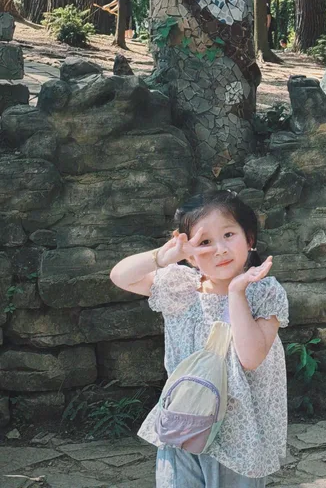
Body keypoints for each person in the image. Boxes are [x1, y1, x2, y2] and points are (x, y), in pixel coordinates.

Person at [110, 191, 289, 488]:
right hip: (184, 421)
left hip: (239, 435)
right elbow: (120, 276)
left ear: (250, 238)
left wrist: (236, 293)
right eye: (205, 242)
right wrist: (162, 258)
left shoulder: (263, 292)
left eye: (229, 234)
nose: (220, 249)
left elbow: (251, 357)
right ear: (189, 253)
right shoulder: (180, 287)